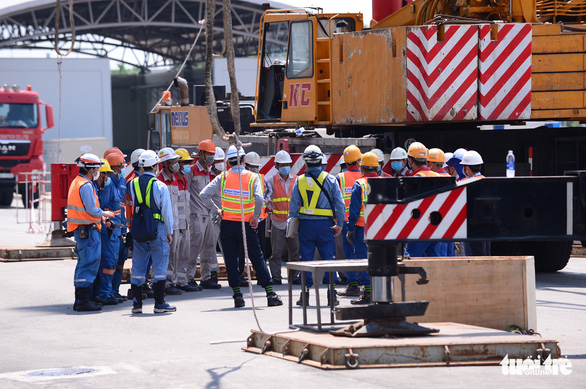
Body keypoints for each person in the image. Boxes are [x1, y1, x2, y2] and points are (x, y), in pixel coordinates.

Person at [200, 145, 283, 308]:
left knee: (230, 260)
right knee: (257, 258)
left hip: (227, 225)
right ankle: (270, 294)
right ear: (244, 160)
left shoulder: (223, 177)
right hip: (246, 224)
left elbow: (203, 194)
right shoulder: (253, 178)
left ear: (228, 162)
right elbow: (259, 199)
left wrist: (216, 209)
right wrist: (254, 217)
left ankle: (238, 296)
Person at [289, 145, 345, 306]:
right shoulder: (330, 179)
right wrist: (339, 224)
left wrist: (291, 228)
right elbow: (339, 204)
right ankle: (331, 295)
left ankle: (305, 296)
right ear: (321, 160)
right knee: (328, 259)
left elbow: (293, 208)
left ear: (305, 162)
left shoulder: (299, 181)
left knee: (306, 260)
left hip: (305, 226)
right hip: (325, 227)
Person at [128, 150, 176, 314]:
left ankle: (137, 305)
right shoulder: (160, 186)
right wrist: (169, 232)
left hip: (139, 229)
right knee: (160, 267)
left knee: (138, 268)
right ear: (156, 166)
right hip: (158, 229)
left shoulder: (132, 184)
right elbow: (167, 212)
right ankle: (159, 303)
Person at [68, 153, 115, 312]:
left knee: (84, 264)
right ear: (90, 169)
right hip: (88, 231)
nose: (97, 172)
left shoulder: (77, 182)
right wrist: (104, 214)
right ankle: (83, 301)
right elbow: (92, 209)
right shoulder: (86, 185)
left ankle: (81, 300)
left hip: (84, 229)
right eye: (96, 168)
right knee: (89, 264)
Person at [157, 147, 196, 294]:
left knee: (183, 254)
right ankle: (168, 283)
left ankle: (181, 281)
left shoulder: (179, 179)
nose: (177, 164)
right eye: (174, 162)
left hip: (183, 224)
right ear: (165, 163)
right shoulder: (160, 181)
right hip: (171, 226)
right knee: (170, 256)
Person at [186, 139, 222, 290]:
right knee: (194, 247)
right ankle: (188, 277)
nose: (211, 157)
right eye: (208, 153)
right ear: (201, 153)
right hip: (196, 215)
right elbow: (185, 192)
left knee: (209, 247)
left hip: (207, 215)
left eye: (212, 154)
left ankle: (206, 278)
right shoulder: (192, 170)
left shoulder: (208, 171)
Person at [346, 152, 380, 304]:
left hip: (362, 228)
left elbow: (354, 210)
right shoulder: (384, 182)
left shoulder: (359, 184)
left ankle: (367, 294)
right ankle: (378, 292)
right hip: (380, 228)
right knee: (379, 258)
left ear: (363, 168)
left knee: (363, 258)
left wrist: (350, 228)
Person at [264, 150, 300, 285]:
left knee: (295, 251)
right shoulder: (271, 181)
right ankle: (276, 277)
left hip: (293, 222)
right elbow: (266, 199)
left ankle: (294, 277)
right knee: (276, 252)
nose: (285, 166)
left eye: (287, 164)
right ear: (276, 166)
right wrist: (273, 208)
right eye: (282, 164)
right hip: (278, 222)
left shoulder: (296, 180)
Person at [404, 142, 445, 257]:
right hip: (437, 225)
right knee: (435, 262)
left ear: (410, 160)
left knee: (410, 258)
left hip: (420, 227)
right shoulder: (438, 176)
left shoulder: (416, 179)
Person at [93, 158, 123, 306]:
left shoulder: (112, 184)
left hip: (115, 230)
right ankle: (104, 293)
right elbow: (102, 207)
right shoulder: (104, 188)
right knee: (108, 262)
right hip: (108, 231)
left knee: (113, 262)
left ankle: (108, 292)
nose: (109, 178)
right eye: (107, 175)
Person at [337, 145, 363, 297]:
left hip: (347, 222)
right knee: (363, 253)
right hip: (365, 222)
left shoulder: (340, 177)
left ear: (346, 163)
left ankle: (353, 284)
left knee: (350, 254)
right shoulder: (365, 176)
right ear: (359, 160)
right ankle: (366, 285)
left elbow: (336, 201)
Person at [460, 150, 491, 256]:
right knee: (485, 253)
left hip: (472, 225)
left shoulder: (466, 183)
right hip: (486, 224)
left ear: (467, 168)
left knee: (474, 255)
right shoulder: (485, 180)